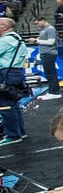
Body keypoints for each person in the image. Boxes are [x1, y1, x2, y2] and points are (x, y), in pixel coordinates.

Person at [0, 18, 28, 146]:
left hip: (7, 73)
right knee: (13, 103)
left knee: (5, 104)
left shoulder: (5, 40)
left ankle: (13, 135)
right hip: (16, 72)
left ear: (4, 26)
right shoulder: (17, 38)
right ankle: (20, 132)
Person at [29, 16, 62, 100]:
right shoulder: (44, 30)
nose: (37, 26)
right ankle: (52, 91)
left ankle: (54, 92)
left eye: (37, 23)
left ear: (43, 20)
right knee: (49, 73)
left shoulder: (50, 29)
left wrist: (37, 41)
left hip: (49, 53)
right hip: (45, 53)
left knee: (51, 73)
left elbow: (51, 42)